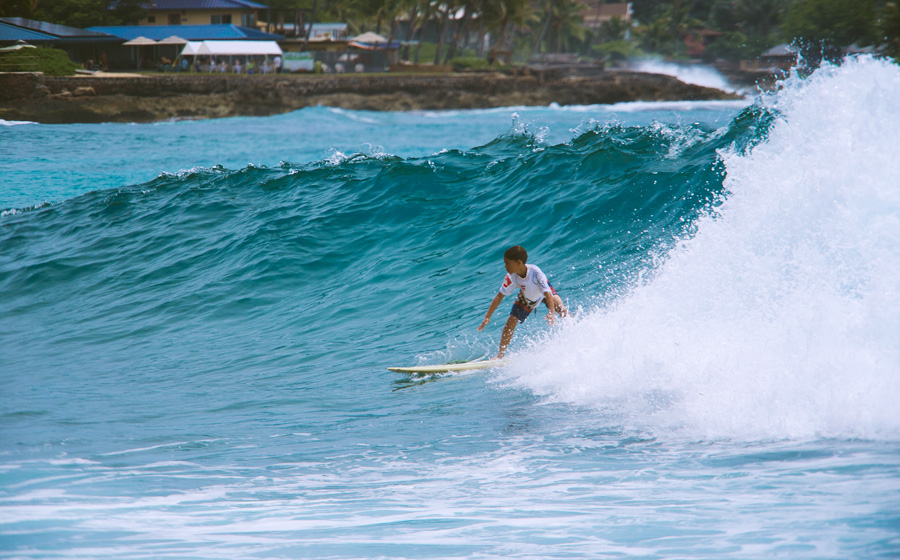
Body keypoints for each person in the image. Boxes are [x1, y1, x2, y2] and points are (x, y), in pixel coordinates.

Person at [478, 245, 568, 358]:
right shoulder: (511, 277)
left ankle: (574, 329)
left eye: (507, 263)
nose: (505, 266)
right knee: (510, 322)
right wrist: (488, 316)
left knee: (561, 309)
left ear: (519, 262)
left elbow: (547, 293)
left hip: (544, 293)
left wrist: (551, 312)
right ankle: (500, 355)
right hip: (527, 297)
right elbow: (499, 296)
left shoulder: (536, 273)